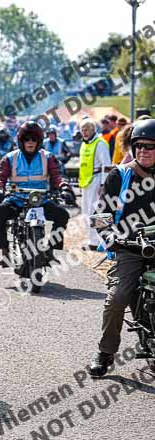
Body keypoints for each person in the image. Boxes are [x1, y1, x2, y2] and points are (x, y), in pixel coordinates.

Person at [90, 119, 155, 377]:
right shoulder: (120, 175)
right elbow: (100, 215)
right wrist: (110, 237)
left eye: (150, 147)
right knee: (117, 298)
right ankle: (105, 352)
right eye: (139, 146)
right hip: (129, 248)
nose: (143, 151)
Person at [0, 121, 75, 266]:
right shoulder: (10, 158)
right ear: (20, 140)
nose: (30, 142)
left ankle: (50, 249)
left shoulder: (48, 157)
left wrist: (65, 188)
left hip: (40, 200)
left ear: (39, 141)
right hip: (16, 199)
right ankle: (5, 252)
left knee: (62, 215)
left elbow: (58, 175)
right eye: (26, 139)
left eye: (34, 139)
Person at [78, 119, 112, 250]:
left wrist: (104, 184)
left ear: (93, 130)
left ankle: (101, 241)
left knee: (96, 211)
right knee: (86, 212)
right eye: (83, 130)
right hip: (86, 182)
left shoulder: (100, 143)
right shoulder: (84, 144)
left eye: (87, 129)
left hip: (97, 180)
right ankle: (92, 240)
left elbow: (107, 165)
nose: (84, 132)